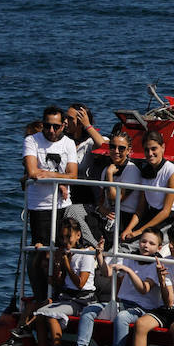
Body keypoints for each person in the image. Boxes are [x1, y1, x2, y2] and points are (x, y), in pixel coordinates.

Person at [76, 227, 164, 346]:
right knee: (89, 310)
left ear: (159, 247)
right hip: (123, 303)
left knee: (122, 317)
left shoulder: (156, 265)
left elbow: (144, 289)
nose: (145, 245)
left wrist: (129, 271)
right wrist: (100, 256)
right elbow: (107, 273)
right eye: (143, 241)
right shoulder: (130, 257)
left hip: (142, 309)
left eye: (151, 243)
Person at [22, 105, 79, 304]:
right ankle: (43, 295)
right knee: (43, 252)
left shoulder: (69, 144)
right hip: (40, 206)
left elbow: (73, 175)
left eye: (55, 127)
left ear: (63, 125)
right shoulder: (32, 140)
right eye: (47, 126)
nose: (51, 131)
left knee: (65, 249)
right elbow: (32, 172)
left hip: (64, 205)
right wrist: (57, 178)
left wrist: (51, 175)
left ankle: (59, 292)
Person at [30, 217, 99, 346]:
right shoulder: (67, 254)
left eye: (69, 237)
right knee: (39, 314)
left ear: (78, 235)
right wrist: (57, 268)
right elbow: (60, 283)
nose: (66, 241)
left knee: (50, 314)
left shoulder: (85, 255)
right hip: (67, 297)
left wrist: (67, 264)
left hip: (82, 300)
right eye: (62, 237)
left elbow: (80, 283)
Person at [119, 130, 174, 242]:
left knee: (140, 243)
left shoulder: (172, 171)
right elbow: (141, 208)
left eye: (154, 149)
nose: (150, 153)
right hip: (150, 216)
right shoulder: (146, 172)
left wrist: (139, 231)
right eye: (146, 150)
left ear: (163, 147)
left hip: (167, 220)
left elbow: (166, 211)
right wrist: (129, 229)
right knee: (124, 240)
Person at [62, 103, 108, 246]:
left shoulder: (89, 143)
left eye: (70, 119)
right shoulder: (63, 141)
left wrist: (88, 126)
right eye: (65, 118)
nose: (65, 122)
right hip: (63, 194)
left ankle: (93, 246)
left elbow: (104, 147)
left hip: (86, 197)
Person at [97, 130, 142, 240]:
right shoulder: (106, 169)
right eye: (112, 147)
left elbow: (115, 199)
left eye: (121, 148)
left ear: (128, 151)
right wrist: (101, 209)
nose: (116, 151)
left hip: (124, 217)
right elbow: (101, 199)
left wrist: (109, 175)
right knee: (75, 211)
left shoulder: (132, 171)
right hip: (109, 214)